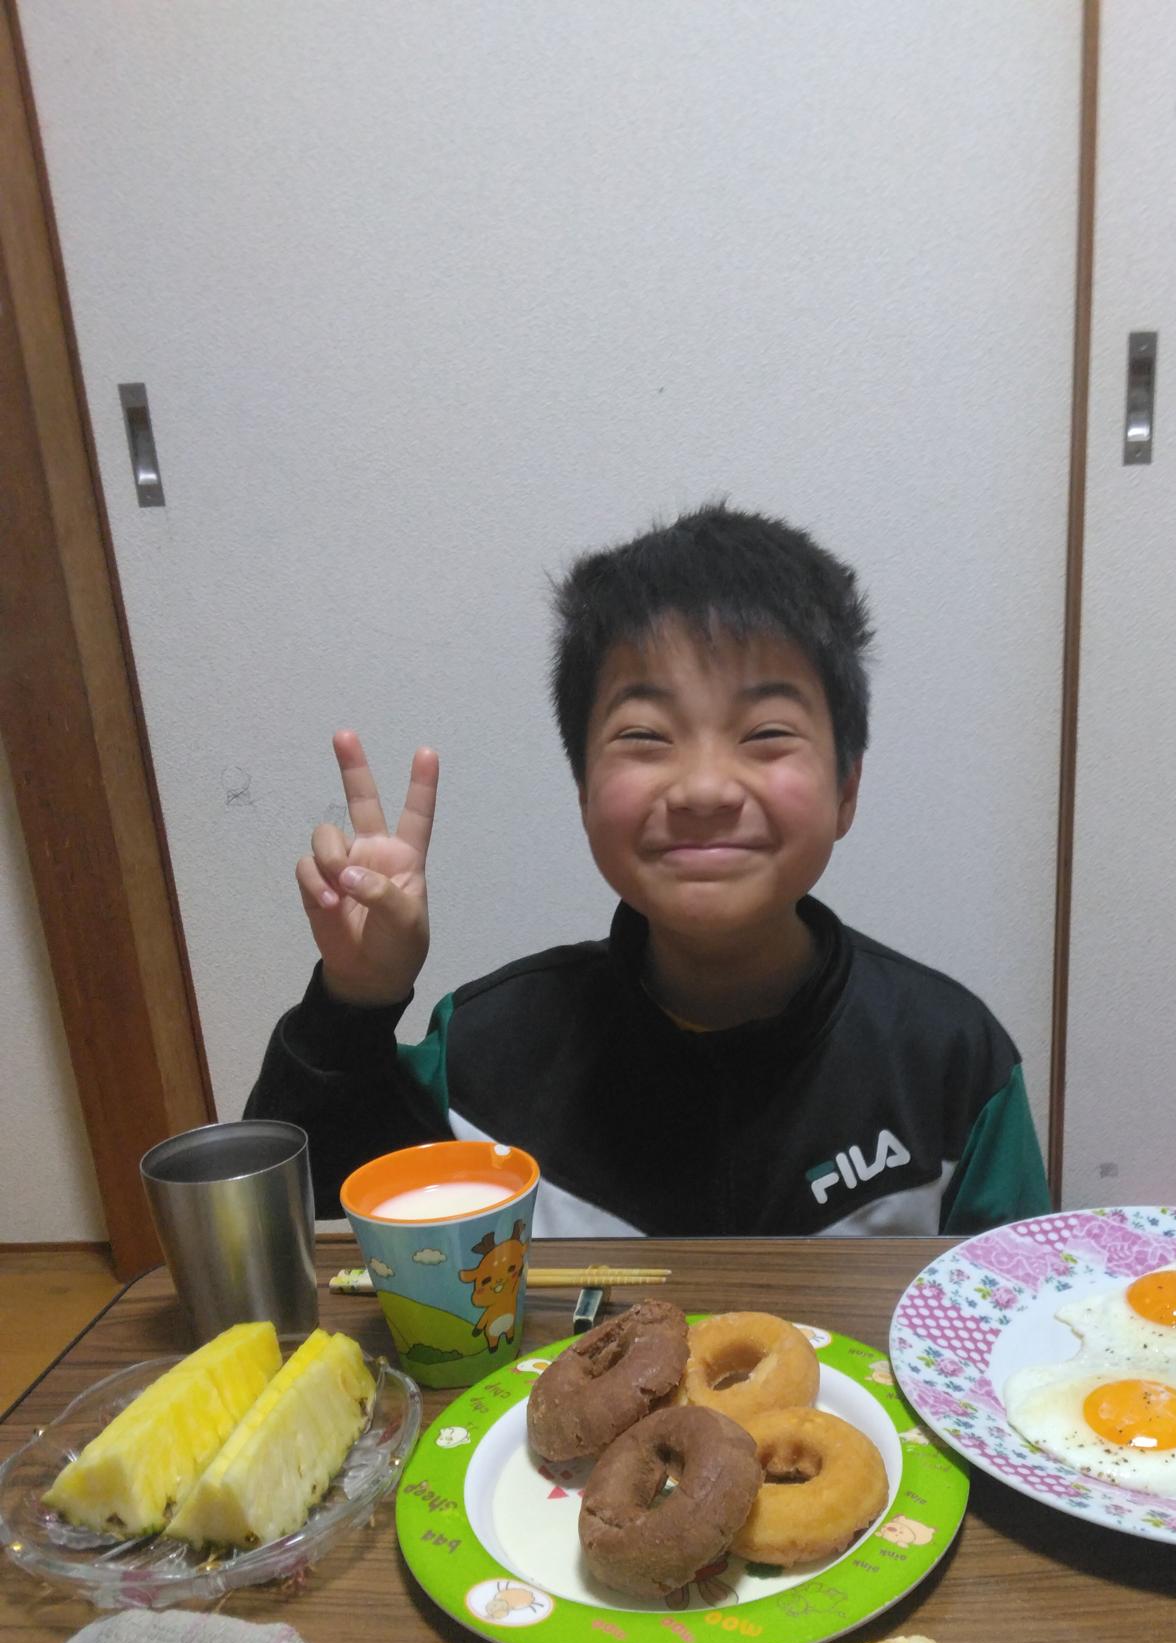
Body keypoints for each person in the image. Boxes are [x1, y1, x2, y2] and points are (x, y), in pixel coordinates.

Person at [246, 504, 1050, 1234]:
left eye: (766, 733)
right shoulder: (486, 1058)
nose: (704, 788)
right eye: (646, 736)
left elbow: (1023, 1312)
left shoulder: (949, 1062)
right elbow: (294, 1230)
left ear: (846, 789)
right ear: (585, 790)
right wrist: (355, 999)